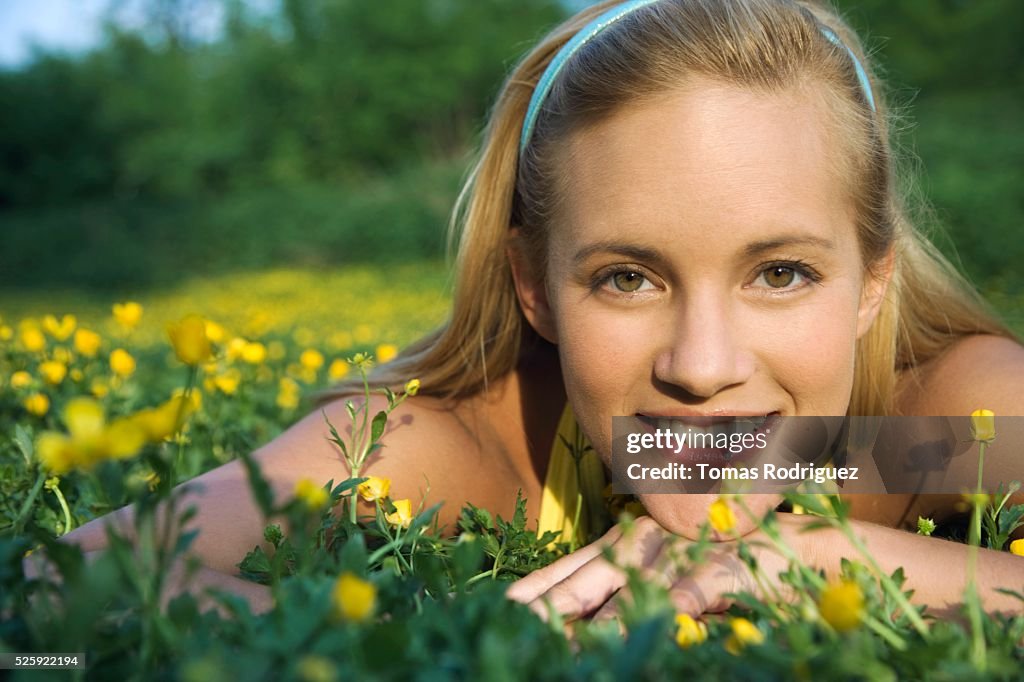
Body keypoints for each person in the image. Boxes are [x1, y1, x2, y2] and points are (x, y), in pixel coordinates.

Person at [55, 0, 1024, 621]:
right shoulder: (477, 446)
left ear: (872, 282)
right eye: (626, 278)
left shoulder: (923, 434)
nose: (702, 363)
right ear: (532, 285)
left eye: (778, 273)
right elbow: (59, 581)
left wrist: (813, 559)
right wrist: (480, 639)